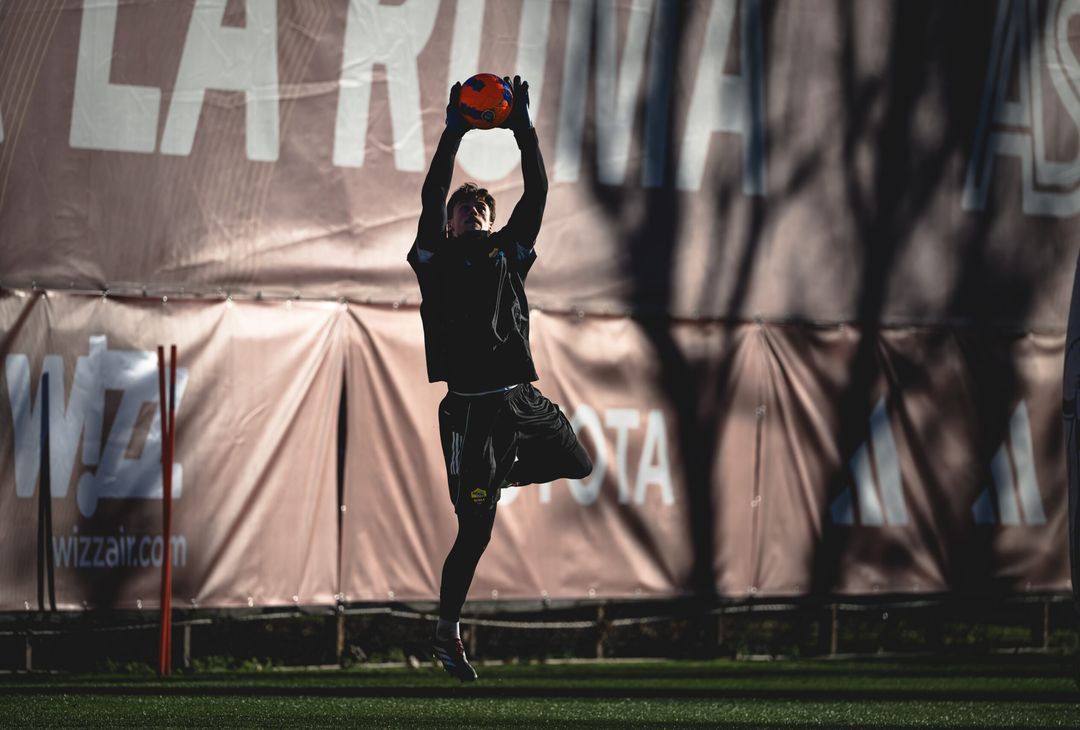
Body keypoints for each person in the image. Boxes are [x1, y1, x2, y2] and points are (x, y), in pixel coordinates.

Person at [407, 76, 593, 682]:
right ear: (451, 224)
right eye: (465, 208)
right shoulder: (434, 258)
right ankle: (446, 632)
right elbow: (436, 188)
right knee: (475, 530)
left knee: (579, 461)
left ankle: (495, 474)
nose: (474, 210)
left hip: (518, 401)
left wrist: (523, 129)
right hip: (468, 412)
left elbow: (537, 190)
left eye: (481, 206)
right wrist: (454, 130)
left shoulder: (507, 253)